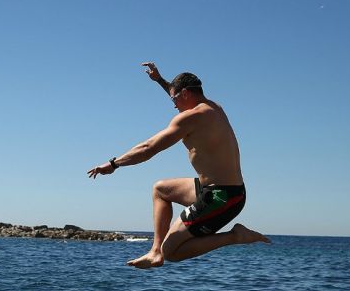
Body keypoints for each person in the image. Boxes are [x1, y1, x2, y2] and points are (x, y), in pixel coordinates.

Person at [88, 62, 270, 268]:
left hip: (223, 198)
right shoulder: (214, 108)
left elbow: (148, 148)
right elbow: (179, 96)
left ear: (185, 93)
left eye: (174, 99)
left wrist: (114, 163)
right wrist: (160, 81)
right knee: (161, 189)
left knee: (172, 252)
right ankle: (154, 252)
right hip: (224, 191)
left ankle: (235, 236)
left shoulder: (191, 118)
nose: (173, 104)